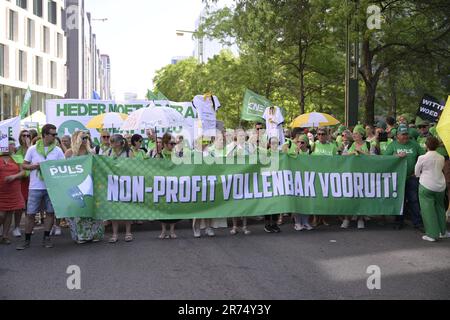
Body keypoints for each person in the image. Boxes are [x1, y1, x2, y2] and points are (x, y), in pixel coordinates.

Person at [16, 124, 65, 250]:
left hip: (51, 186)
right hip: (35, 186)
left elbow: (63, 167)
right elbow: (24, 166)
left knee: (50, 213)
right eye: (53, 134)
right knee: (30, 214)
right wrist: (34, 166)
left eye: (55, 134)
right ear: (44, 135)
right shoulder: (33, 149)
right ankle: (27, 240)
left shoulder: (58, 150)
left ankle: (46, 237)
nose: (55, 137)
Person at [65, 131, 104, 244]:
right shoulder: (69, 153)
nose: (85, 139)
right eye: (82, 137)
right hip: (75, 185)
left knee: (92, 211)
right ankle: (81, 235)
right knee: (79, 211)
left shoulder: (91, 153)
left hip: (90, 185)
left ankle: (95, 234)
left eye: (87, 137)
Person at [385, 124, 425, 230]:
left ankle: (417, 223)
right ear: (397, 135)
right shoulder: (393, 145)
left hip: (411, 177)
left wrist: (418, 170)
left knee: (414, 200)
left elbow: (423, 157)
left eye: (406, 134)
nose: (405, 137)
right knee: (400, 200)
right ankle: (399, 221)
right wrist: (395, 156)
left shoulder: (414, 144)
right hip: (398, 178)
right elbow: (383, 159)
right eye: (403, 135)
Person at [415, 137, 449, 242]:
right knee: (440, 208)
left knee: (427, 210)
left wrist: (420, 175)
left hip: (426, 185)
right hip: (440, 185)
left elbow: (416, 172)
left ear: (426, 145)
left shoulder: (422, 157)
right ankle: (443, 232)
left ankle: (432, 234)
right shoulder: (441, 157)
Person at [107, 134, 134, 243]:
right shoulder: (109, 152)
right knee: (114, 210)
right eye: (110, 141)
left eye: (112, 141)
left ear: (119, 142)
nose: (111, 143)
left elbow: (134, 167)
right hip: (113, 183)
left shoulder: (128, 152)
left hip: (126, 183)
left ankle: (128, 232)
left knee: (127, 208)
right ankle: (115, 234)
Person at [0, 138, 25, 245]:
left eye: (13, 145)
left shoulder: (17, 157)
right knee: (1, 215)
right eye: (10, 144)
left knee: (10, 212)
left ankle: (5, 236)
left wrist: (14, 176)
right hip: (1, 191)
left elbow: (23, 172)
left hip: (13, 190)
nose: (12, 146)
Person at [311, 128, 337, 227]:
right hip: (316, 175)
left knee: (326, 197)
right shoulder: (314, 145)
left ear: (327, 135)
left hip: (328, 175)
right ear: (317, 135)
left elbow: (337, 161)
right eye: (319, 134)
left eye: (323, 134)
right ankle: (315, 218)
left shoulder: (332, 146)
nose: (321, 136)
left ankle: (323, 218)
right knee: (316, 197)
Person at [157, 133, 180, 239]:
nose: (173, 145)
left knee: (173, 208)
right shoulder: (159, 155)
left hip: (174, 184)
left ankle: (172, 231)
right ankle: (163, 230)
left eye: (174, 143)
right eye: (171, 144)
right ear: (165, 144)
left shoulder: (177, 155)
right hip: (162, 184)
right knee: (163, 208)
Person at [192, 137, 216, 238]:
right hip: (196, 183)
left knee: (208, 206)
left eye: (206, 142)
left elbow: (216, 164)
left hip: (209, 182)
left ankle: (208, 227)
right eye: (203, 142)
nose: (205, 144)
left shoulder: (210, 153)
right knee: (198, 208)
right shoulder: (192, 153)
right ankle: (196, 228)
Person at [11, 130, 32, 238]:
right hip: (21, 179)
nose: (26, 137)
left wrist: (29, 145)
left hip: (32, 179)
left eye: (28, 135)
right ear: (20, 137)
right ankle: (17, 227)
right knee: (19, 205)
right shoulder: (17, 149)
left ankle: (29, 226)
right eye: (24, 135)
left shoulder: (34, 148)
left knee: (30, 204)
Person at [292, 135, 314, 231]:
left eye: (302, 142)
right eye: (299, 142)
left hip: (308, 179)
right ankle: (297, 222)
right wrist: (296, 152)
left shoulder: (311, 153)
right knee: (298, 201)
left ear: (306, 143)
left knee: (307, 201)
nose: (300, 144)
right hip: (297, 179)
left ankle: (305, 221)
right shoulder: (295, 152)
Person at [263, 137, 282, 233]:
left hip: (278, 181)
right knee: (268, 203)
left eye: (276, 143)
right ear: (269, 144)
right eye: (272, 143)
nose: (274, 145)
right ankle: (267, 224)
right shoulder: (265, 154)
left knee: (276, 203)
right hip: (267, 181)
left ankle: (274, 224)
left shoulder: (281, 154)